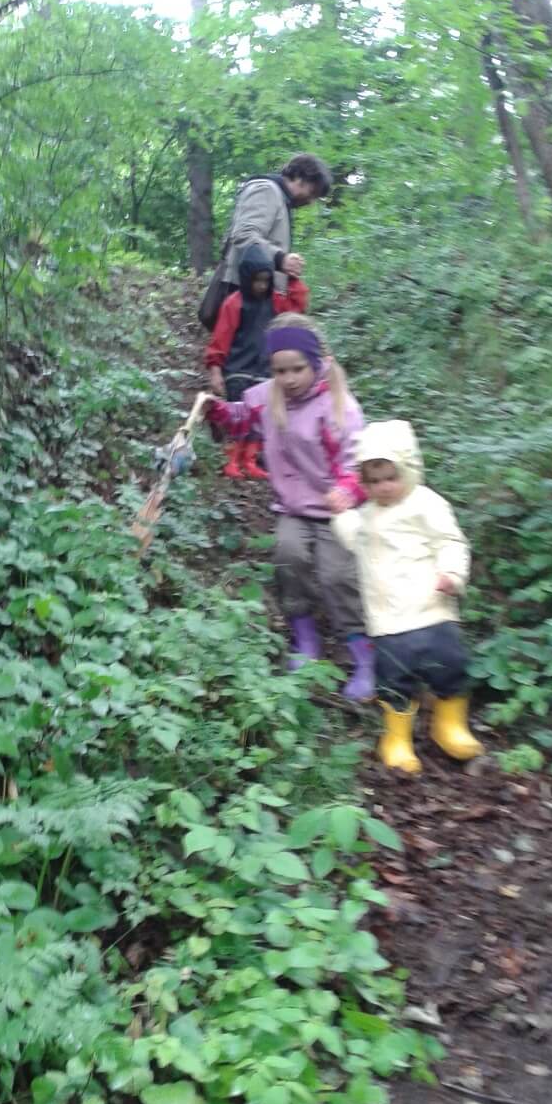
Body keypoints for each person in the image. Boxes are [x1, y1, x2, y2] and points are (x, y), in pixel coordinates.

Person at [205, 313, 374, 701]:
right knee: (288, 558)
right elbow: (242, 420)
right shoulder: (268, 397)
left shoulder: (339, 407)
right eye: (280, 370)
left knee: (337, 575)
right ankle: (305, 637)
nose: (289, 379)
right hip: (294, 507)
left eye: (298, 369)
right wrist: (217, 411)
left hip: (335, 511)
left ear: (317, 363)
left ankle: (362, 651)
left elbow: (357, 462)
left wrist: (347, 490)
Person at [328, 419, 485, 773]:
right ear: (363, 483)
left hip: (432, 607)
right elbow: (355, 540)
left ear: (409, 469)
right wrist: (341, 515)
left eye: (391, 477)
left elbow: (450, 541)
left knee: (450, 664)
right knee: (393, 676)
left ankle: (450, 725)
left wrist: (452, 573)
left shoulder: (426, 503)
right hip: (387, 618)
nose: (383, 487)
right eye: (374, 481)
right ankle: (396, 738)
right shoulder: (367, 515)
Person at [204, 243, 309, 480]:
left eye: (265, 280)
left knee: (260, 417)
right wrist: (215, 370)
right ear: (246, 278)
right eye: (256, 281)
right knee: (238, 416)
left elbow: (296, 310)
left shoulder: (276, 302)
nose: (261, 286)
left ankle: (249, 461)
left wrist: (292, 279)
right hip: (237, 370)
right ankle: (232, 460)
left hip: (264, 371)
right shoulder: (234, 303)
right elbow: (220, 338)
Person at [225, 154, 333, 296]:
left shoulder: (280, 198)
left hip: (254, 295)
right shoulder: (266, 190)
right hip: (240, 295)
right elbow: (244, 234)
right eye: (312, 192)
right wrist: (281, 259)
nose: (311, 201)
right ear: (299, 177)